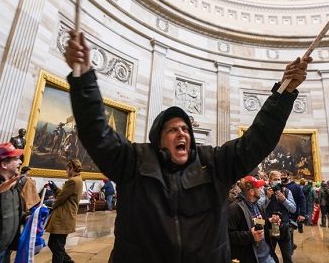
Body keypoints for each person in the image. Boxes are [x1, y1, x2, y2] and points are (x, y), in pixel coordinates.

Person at [63, 30, 311, 262]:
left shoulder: (213, 163)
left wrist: (284, 92)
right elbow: (97, 133)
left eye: (185, 129)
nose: (181, 132)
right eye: (172, 129)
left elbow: (257, 139)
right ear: (159, 138)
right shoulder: (135, 161)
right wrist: (83, 77)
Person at [228, 176, 280, 263]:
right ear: (251, 191)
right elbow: (228, 236)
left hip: (266, 255)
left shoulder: (258, 205)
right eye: (259, 188)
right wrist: (250, 235)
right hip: (251, 258)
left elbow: (258, 223)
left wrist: (270, 221)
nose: (261, 189)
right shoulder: (235, 209)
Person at [45, 159, 84, 263]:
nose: (66, 171)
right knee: (54, 245)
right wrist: (54, 188)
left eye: (67, 169)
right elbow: (63, 194)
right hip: (65, 218)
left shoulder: (73, 181)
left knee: (57, 247)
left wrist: (49, 204)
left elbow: (60, 198)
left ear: (72, 168)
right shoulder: (78, 179)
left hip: (63, 218)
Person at [259, 170, 297, 263]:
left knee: (287, 257)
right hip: (269, 228)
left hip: (284, 228)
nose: (278, 181)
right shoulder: (264, 191)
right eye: (275, 179)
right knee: (269, 256)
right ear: (270, 180)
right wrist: (267, 198)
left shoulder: (287, 191)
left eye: (279, 179)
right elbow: (259, 208)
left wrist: (284, 200)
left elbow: (293, 209)